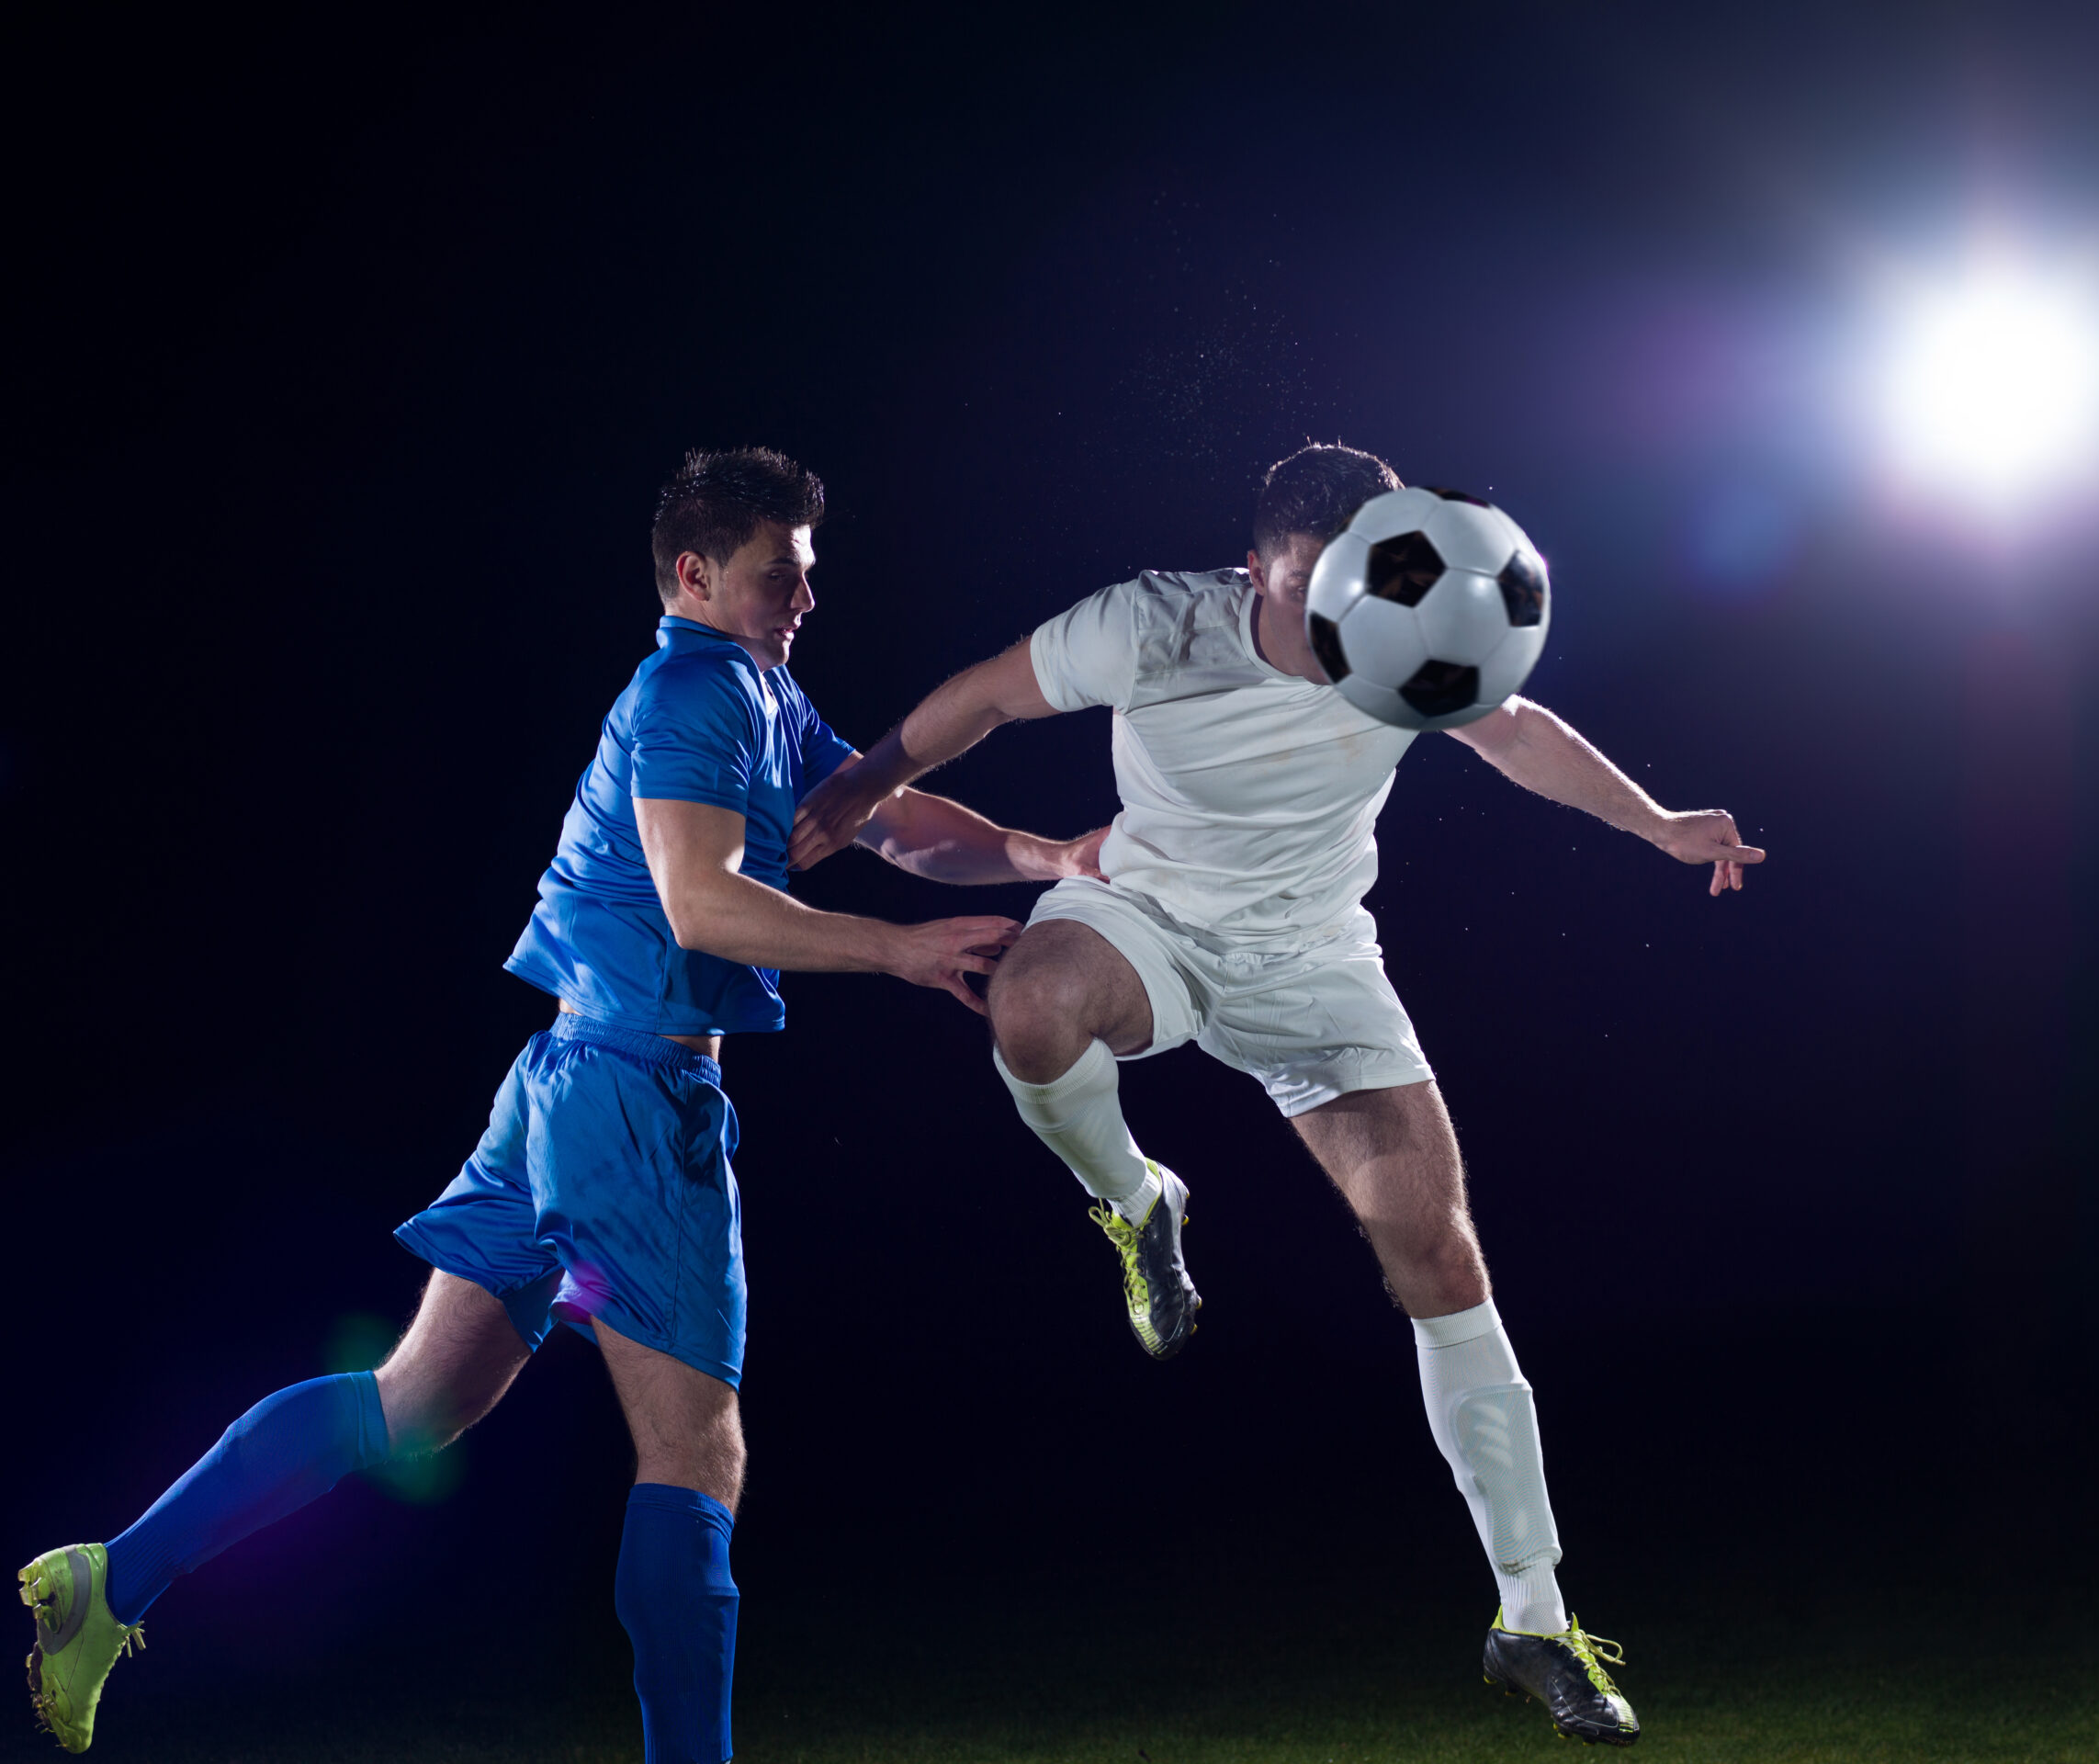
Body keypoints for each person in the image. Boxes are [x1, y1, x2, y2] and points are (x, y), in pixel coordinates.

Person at [18, 447, 1102, 1761]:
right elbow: (701, 901)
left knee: (415, 1406)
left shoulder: (758, 689)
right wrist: (898, 950)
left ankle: (108, 1581)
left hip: (561, 1085)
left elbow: (883, 814)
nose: (806, 597)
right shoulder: (693, 691)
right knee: (697, 1458)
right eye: (782, 574)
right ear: (697, 574)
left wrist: (1048, 855)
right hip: (635, 1095)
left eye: (810, 574)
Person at [788, 442, 1765, 1748]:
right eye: (1304, 588)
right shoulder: (1151, 623)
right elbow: (983, 697)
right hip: (1147, 918)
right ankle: (1136, 1202)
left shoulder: (1408, 632)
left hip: (1314, 964)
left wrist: (1658, 823)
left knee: (1435, 1249)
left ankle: (1532, 1617)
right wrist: (856, 791)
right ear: (1256, 569)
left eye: (1352, 585)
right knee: (1029, 1002)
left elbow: (1514, 731)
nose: (1329, 621)